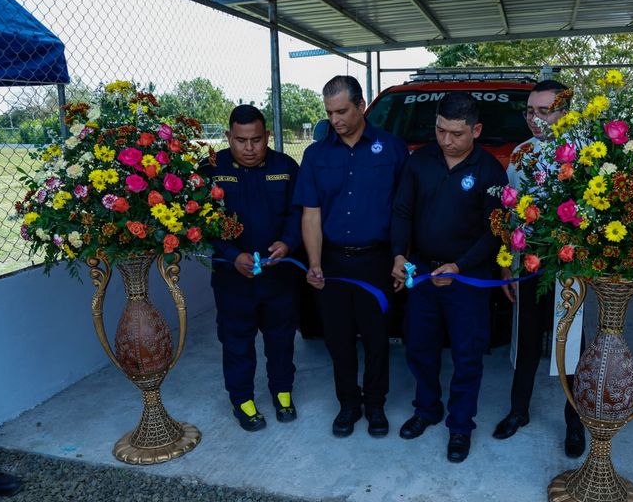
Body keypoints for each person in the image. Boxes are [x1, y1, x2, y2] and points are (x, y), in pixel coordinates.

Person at [391, 91, 505, 463]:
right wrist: (399, 254)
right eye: (440, 130)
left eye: (456, 134)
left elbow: (495, 232)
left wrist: (459, 266)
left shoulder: (490, 171)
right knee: (419, 346)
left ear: (476, 129)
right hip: (423, 271)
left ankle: (460, 425)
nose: (446, 140)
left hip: (467, 278)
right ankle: (427, 408)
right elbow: (403, 211)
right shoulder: (419, 161)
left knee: (467, 354)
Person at [294, 75, 408, 438]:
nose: (335, 119)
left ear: (361, 106)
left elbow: (403, 210)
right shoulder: (316, 154)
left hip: (376, 260)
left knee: (377, 338)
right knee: (338, 339)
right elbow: (310, 212)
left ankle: (375, 404)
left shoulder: (392, 148)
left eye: (342, 110)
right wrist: (314, 263)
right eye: (329, 112)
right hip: (332, 261)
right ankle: (348, 404)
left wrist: (399, 257)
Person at [494, 80, 586, 458]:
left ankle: (574, 422)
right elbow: (510, 214)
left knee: (570, 344)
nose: (534, 119)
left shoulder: (584, 153)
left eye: (543, 111)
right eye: (530, 111)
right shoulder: (520, 154)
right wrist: (506, 264)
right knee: (527, 338)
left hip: (571, 263)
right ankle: (519, 410)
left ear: (565, 111)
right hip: (529, 261)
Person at [203, 105, 302, 432]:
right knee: (236, 342)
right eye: (241, 140)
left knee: (281, 338)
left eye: (256, 140)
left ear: (267, 137)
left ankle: (282, 391)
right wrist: (232, 255)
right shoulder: (211, 168)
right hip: (233, 278)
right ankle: (242, 399)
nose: (249, 148)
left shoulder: (285, 167)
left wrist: (287, 242)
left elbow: (298, 213)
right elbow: (203, 221)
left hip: (279, 276)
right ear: (229, 136)